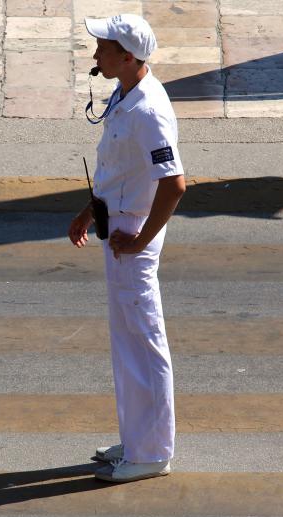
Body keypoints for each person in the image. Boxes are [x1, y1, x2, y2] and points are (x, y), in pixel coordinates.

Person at [68, 14, 186, 483]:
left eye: (103, 48)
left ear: (129, 56)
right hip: (116, 226)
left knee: (143, 342)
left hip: (131, 237)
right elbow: (119, 168)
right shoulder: (125, 93)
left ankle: (152, 453)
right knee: (126, 341)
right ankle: (137, 438)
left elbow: (174, 185)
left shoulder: (148, 111)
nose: (96, 55)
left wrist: (139, 240)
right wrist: (88, 208)